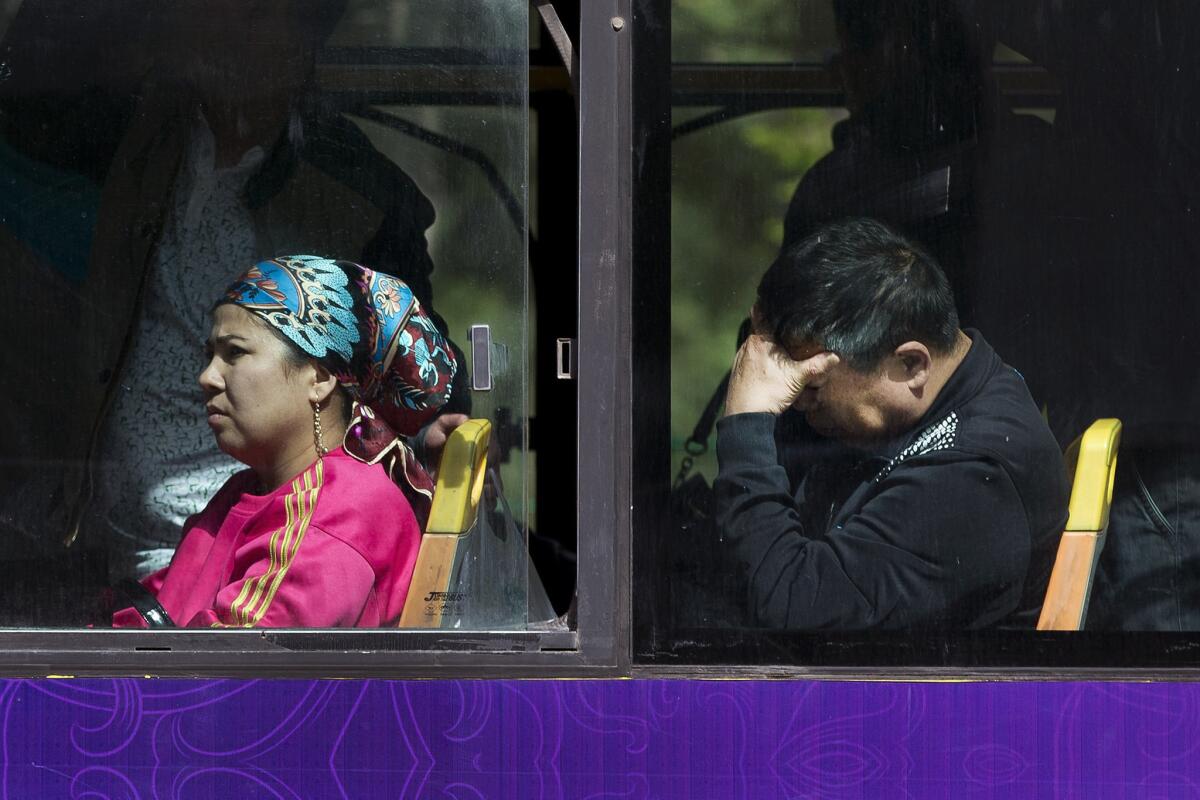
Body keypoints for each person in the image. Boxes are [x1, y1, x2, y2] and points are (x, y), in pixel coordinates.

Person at [713, 218, 1068, 629]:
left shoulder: (972, 478)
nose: (792, 401)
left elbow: (791, 606)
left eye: (812, 383)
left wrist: (746, 424)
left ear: (910, 364)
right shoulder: (951, 394)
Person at [113, 255, 457, 628]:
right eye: (209, 355)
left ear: (319, 378)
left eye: (235, 353)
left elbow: (237, 664)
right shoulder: (243, 491)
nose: (207, 377)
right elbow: (158, 616)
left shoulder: (343, 508)